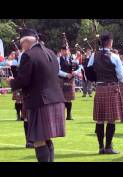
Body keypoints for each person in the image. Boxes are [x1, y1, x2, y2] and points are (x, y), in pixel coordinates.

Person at [7, 28, 65, 162]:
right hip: (56, 99)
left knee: (39, 140)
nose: (22, 48)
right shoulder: (50, 52)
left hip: (40, 102)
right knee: (46, 138)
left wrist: (13, 82)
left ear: (26, 41)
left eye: (21, 44)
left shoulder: (29, 55)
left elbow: (24, 80)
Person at [87, 31, 123, 154]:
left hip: (100, 88)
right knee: (111, 119)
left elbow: (89, 72)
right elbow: (121, 75)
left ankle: (101, 147)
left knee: (100, 119)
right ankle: (108, 147)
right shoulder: (114, 56)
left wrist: (97, 78)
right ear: (110, 42)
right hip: (111, 89)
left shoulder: (93, 55)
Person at [58, 46, 80, 120]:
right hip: (61, 80)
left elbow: (80, 67)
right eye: (63, 50)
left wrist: (76, 72)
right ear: (61, 51)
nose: (65, 52)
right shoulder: (58, 59)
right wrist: (66, 74)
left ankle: (69, 115)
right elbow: (57, 70)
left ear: (68, 51)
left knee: (69, 98)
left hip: (70, 80)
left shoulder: (72, 59)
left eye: (66, 50)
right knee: (62, 98)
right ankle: (61, 115)